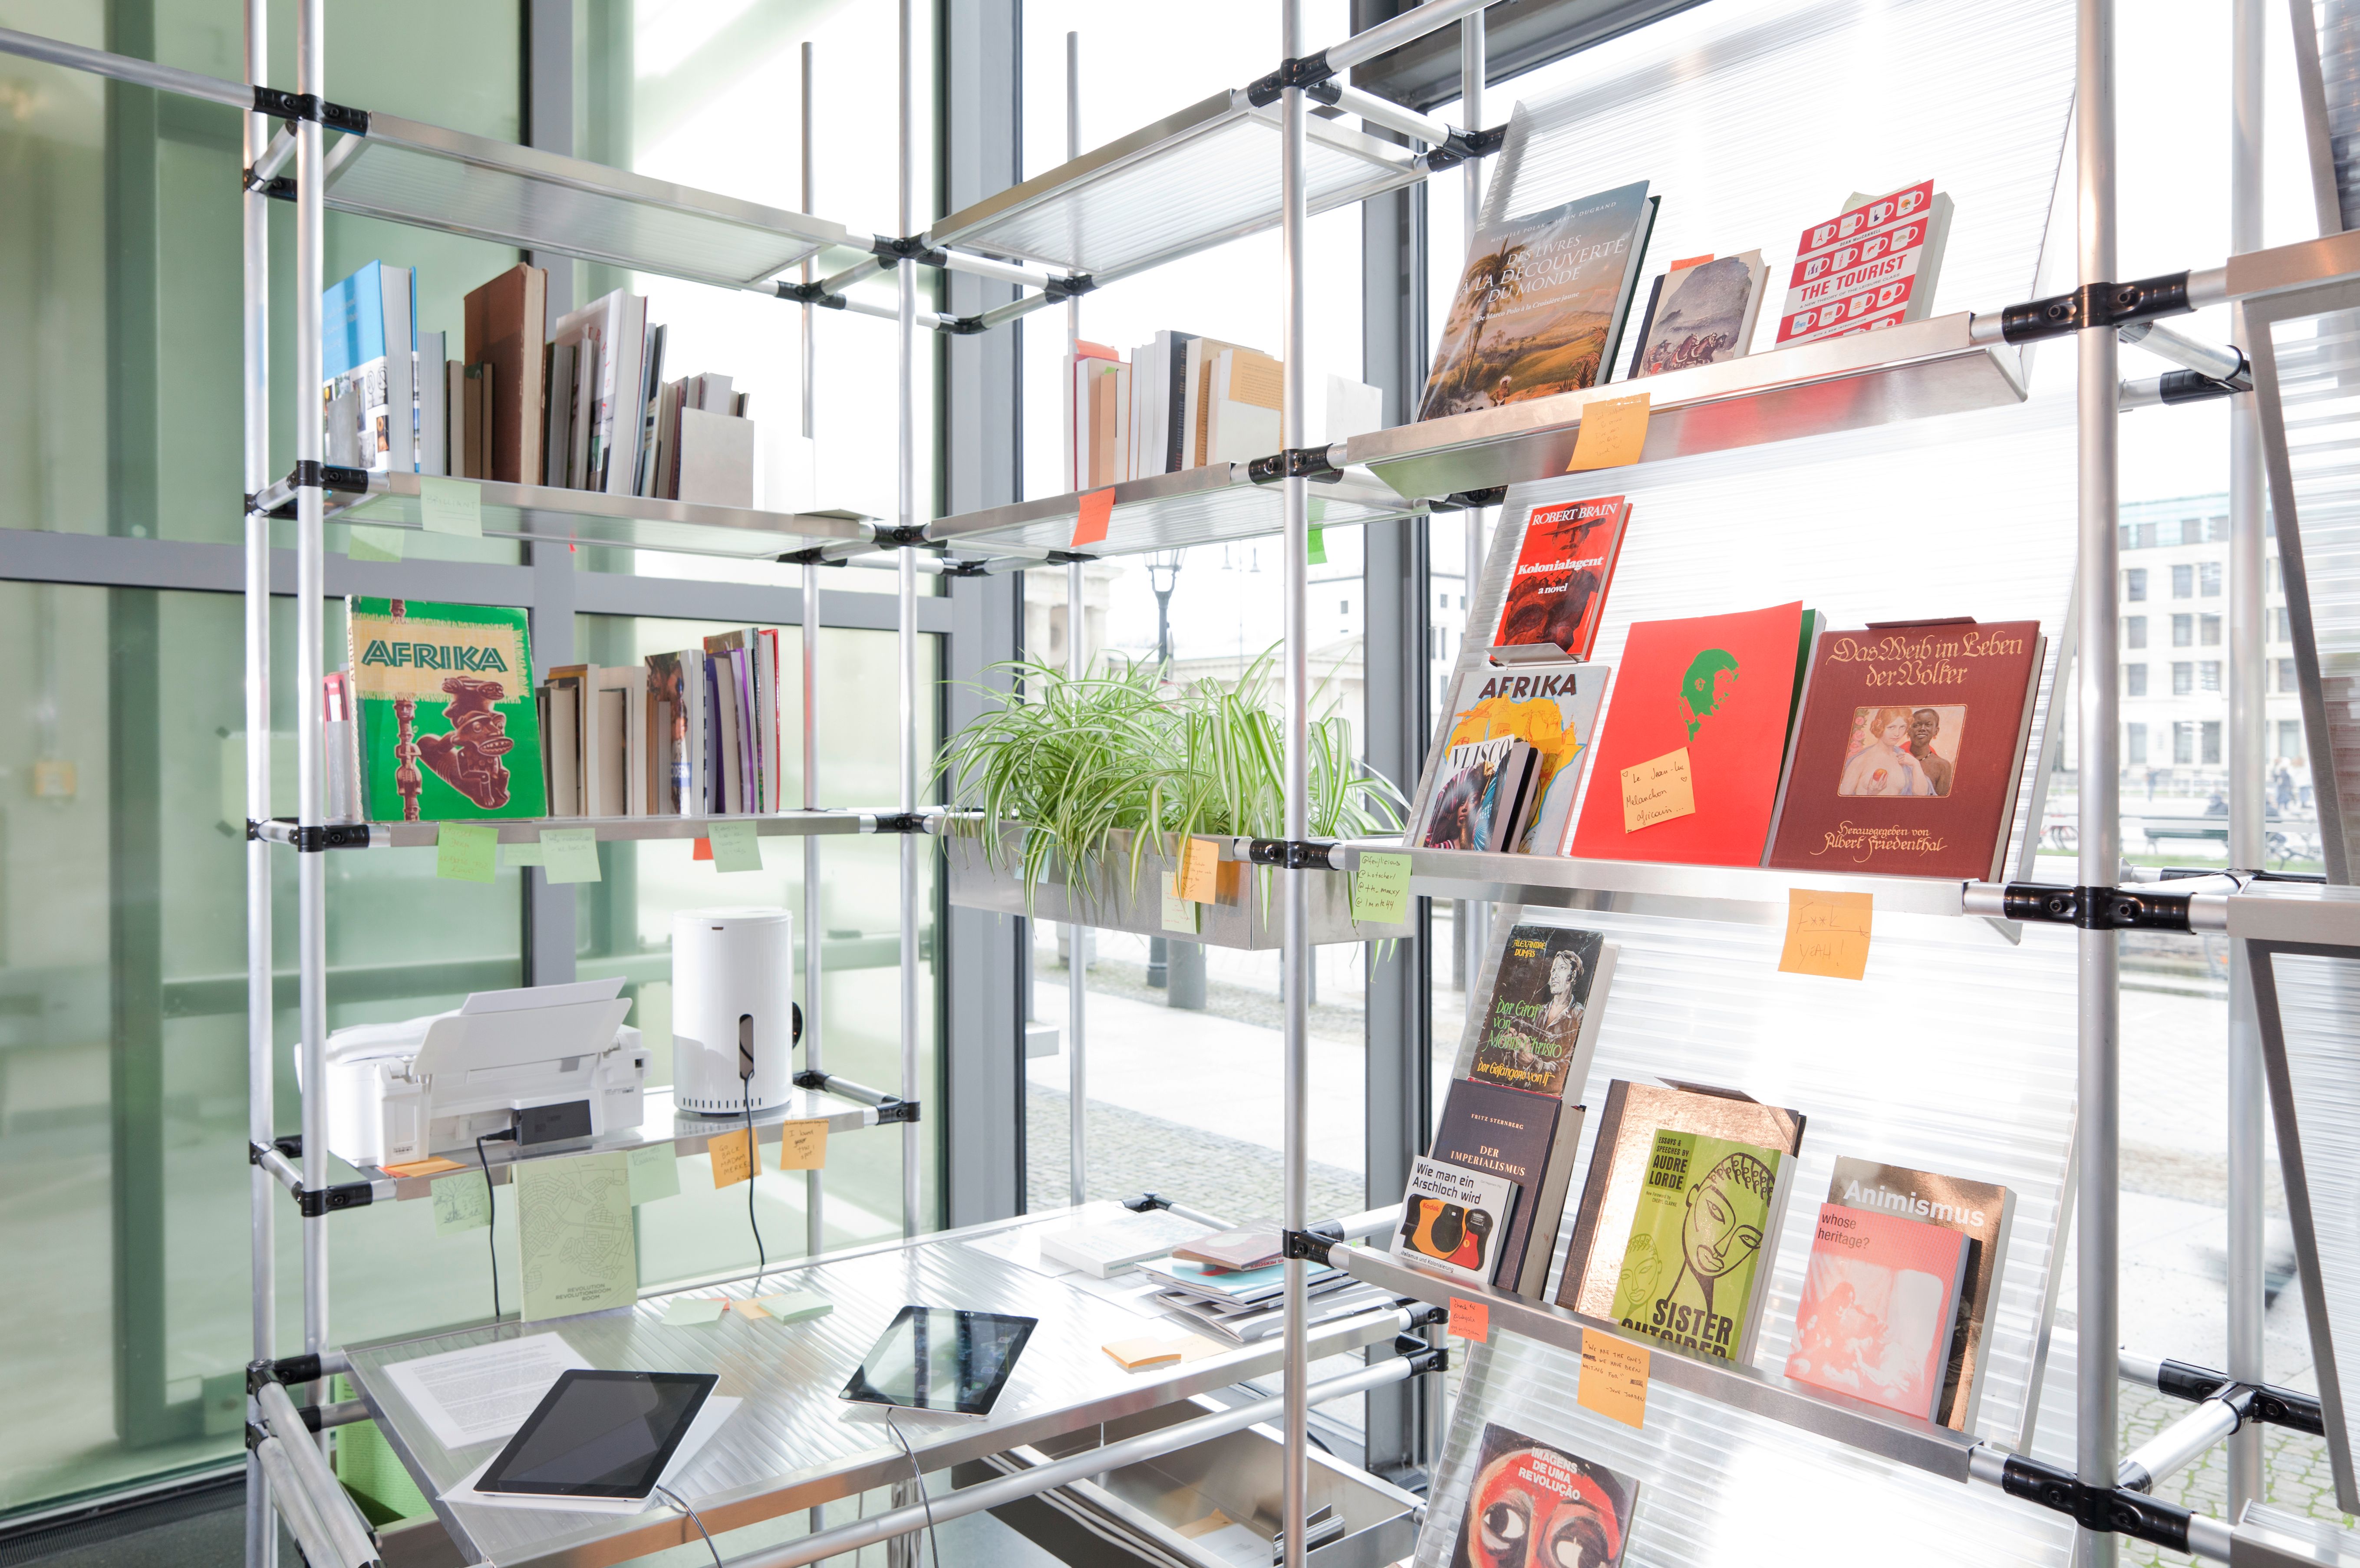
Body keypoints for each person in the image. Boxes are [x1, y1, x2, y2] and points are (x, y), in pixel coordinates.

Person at [1839, 706, 1929, 796]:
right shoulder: (1861, 761)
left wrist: (1916, 764)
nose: (1897, 733)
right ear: (1880, 727)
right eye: (1891, 727)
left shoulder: (1904, 759)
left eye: (1902, 727)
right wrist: (1871, 794)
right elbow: (1843, 800)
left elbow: (1922, 794)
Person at [1906, 708, 1955, 797]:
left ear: (1936, 731)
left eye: (1928, 725)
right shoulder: (1896, 756)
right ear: (1908, 730)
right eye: (1917, 725)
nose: (1922, 729)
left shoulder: (1943, 766)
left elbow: (1941, 802)